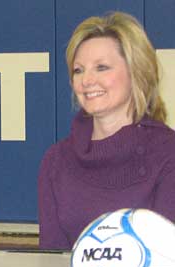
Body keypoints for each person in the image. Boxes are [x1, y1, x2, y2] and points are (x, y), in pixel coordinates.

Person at [38, 12, 175, 249]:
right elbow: (50, 259)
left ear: (136, 73)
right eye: (78, 70)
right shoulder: (56, 160)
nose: (86, 80)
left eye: (101, 67)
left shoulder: (168, 154)